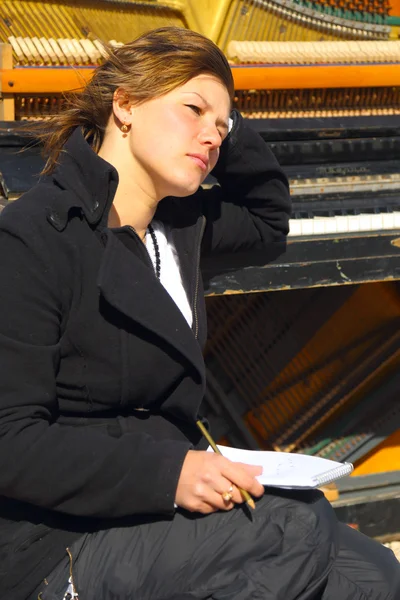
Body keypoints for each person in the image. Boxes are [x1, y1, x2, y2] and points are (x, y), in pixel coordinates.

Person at [0, 26, 398, 600]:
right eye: (191, 110)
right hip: (57, 537)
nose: (211, 136)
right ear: (127, 103)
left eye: (222, 127)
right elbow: (9, 440)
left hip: (154, 507)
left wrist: (217, 112)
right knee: (296, 529)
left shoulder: (180, 224)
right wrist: (171, 475)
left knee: (372, 573)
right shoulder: (33, 236)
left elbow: (268, 218)